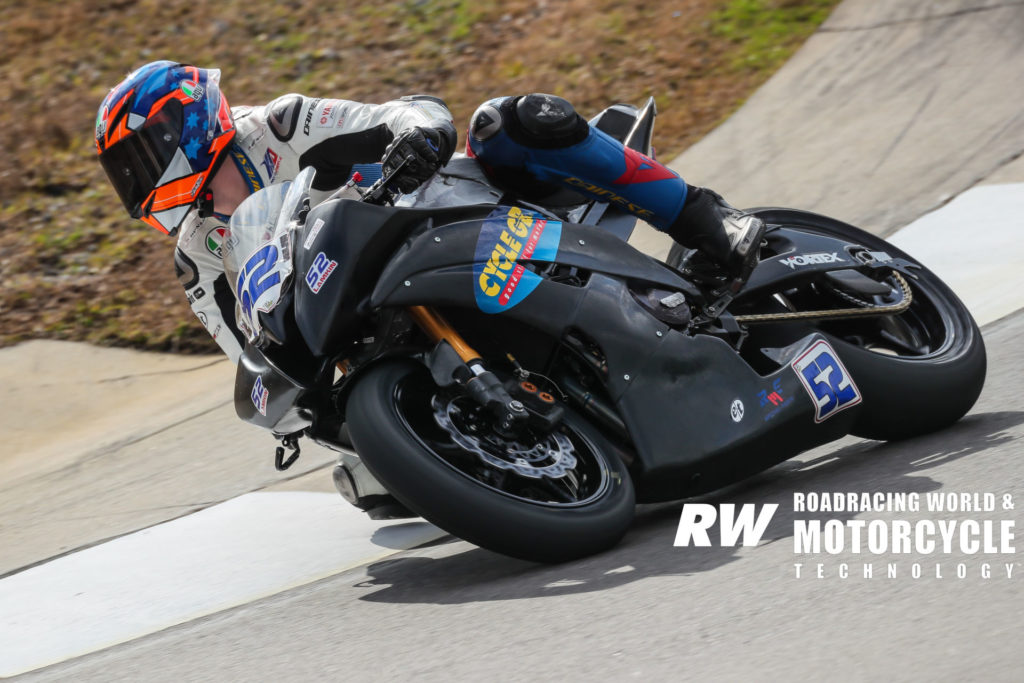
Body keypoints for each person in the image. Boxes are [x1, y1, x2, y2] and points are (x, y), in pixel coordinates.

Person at [95, 61, 764, 516]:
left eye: (143, 155)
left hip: (447, 218)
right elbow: (245, 348)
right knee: (367, 477)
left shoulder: (279, 126)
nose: (139, 180)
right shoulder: (196, 256)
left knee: (509, 120)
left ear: (185, 122)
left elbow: (400, 113)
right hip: (373, 316)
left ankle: (711, 222)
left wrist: (414, 133)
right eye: (126, 171)